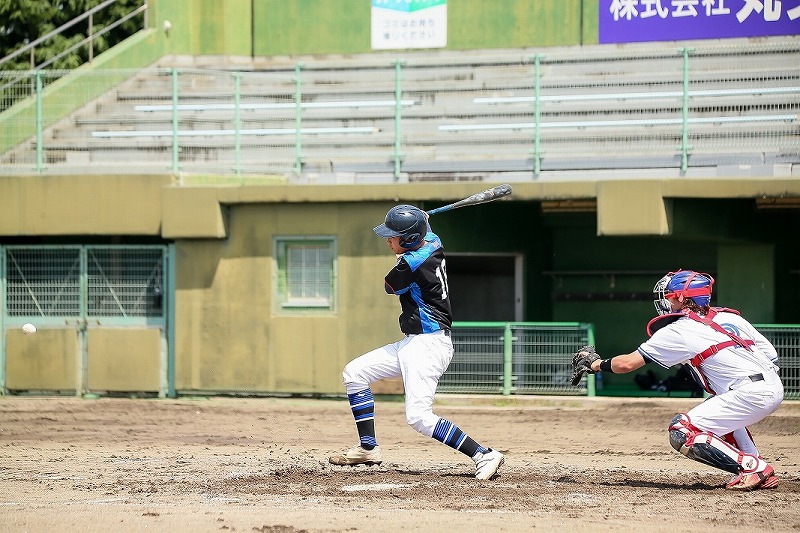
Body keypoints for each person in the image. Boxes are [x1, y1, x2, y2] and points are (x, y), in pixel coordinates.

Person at [328, 204, 505, 480]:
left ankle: (483, 454)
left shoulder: (410, 265)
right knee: (355, 373)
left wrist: (418, 227)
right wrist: (422, 222)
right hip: (414, 343)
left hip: (427, 346)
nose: (388, 240)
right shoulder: (433, 243)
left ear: (411, 238)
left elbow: (390, 287)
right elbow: (428, 235)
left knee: (419, 417)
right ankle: (368, 448)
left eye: (394, 236)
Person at [578, 269, 783, 491]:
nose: (667, 300)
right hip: (771, 386)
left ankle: (752, 467)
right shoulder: (730, 317)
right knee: (718, 413)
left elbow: (627, 364)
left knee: (681, 430)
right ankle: (757, 465)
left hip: (750, 393)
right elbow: (771, 356)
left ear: (684, 298)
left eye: (671, 296)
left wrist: (595, 364)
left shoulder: (679, 330)